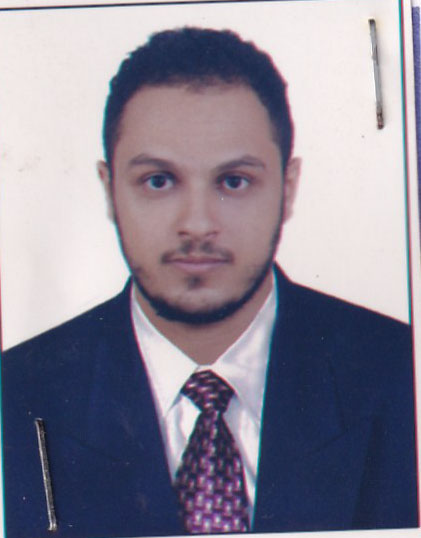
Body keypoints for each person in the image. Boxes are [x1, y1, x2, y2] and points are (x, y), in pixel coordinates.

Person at [1, 27, 417, 538]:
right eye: (158, 180)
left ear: (288, 188)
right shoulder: (15, 391)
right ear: (110, 190)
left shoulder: (402, 371)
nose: (197, 225)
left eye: (233, 181)